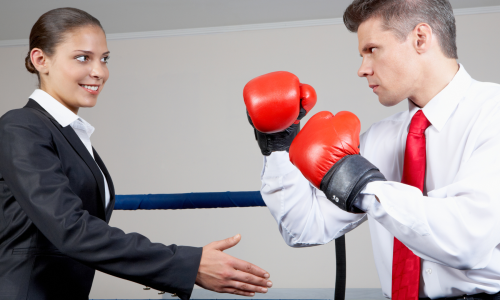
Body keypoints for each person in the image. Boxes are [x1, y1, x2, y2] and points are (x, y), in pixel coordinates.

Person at [0, 7, 272, 300]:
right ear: (41, 60)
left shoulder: (69, 133)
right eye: (83, 58)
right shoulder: (21, 126)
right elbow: (71, 229)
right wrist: (188, 264)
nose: (99, 72)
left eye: (104, 59)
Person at [248, 0, 500, 299]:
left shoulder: (491, 114)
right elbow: (303, 228)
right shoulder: (379, 138)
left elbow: (467, 241)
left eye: (371, 50)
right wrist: (278, 144)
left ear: (420, 38)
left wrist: (362, 185)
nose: (362, 69)